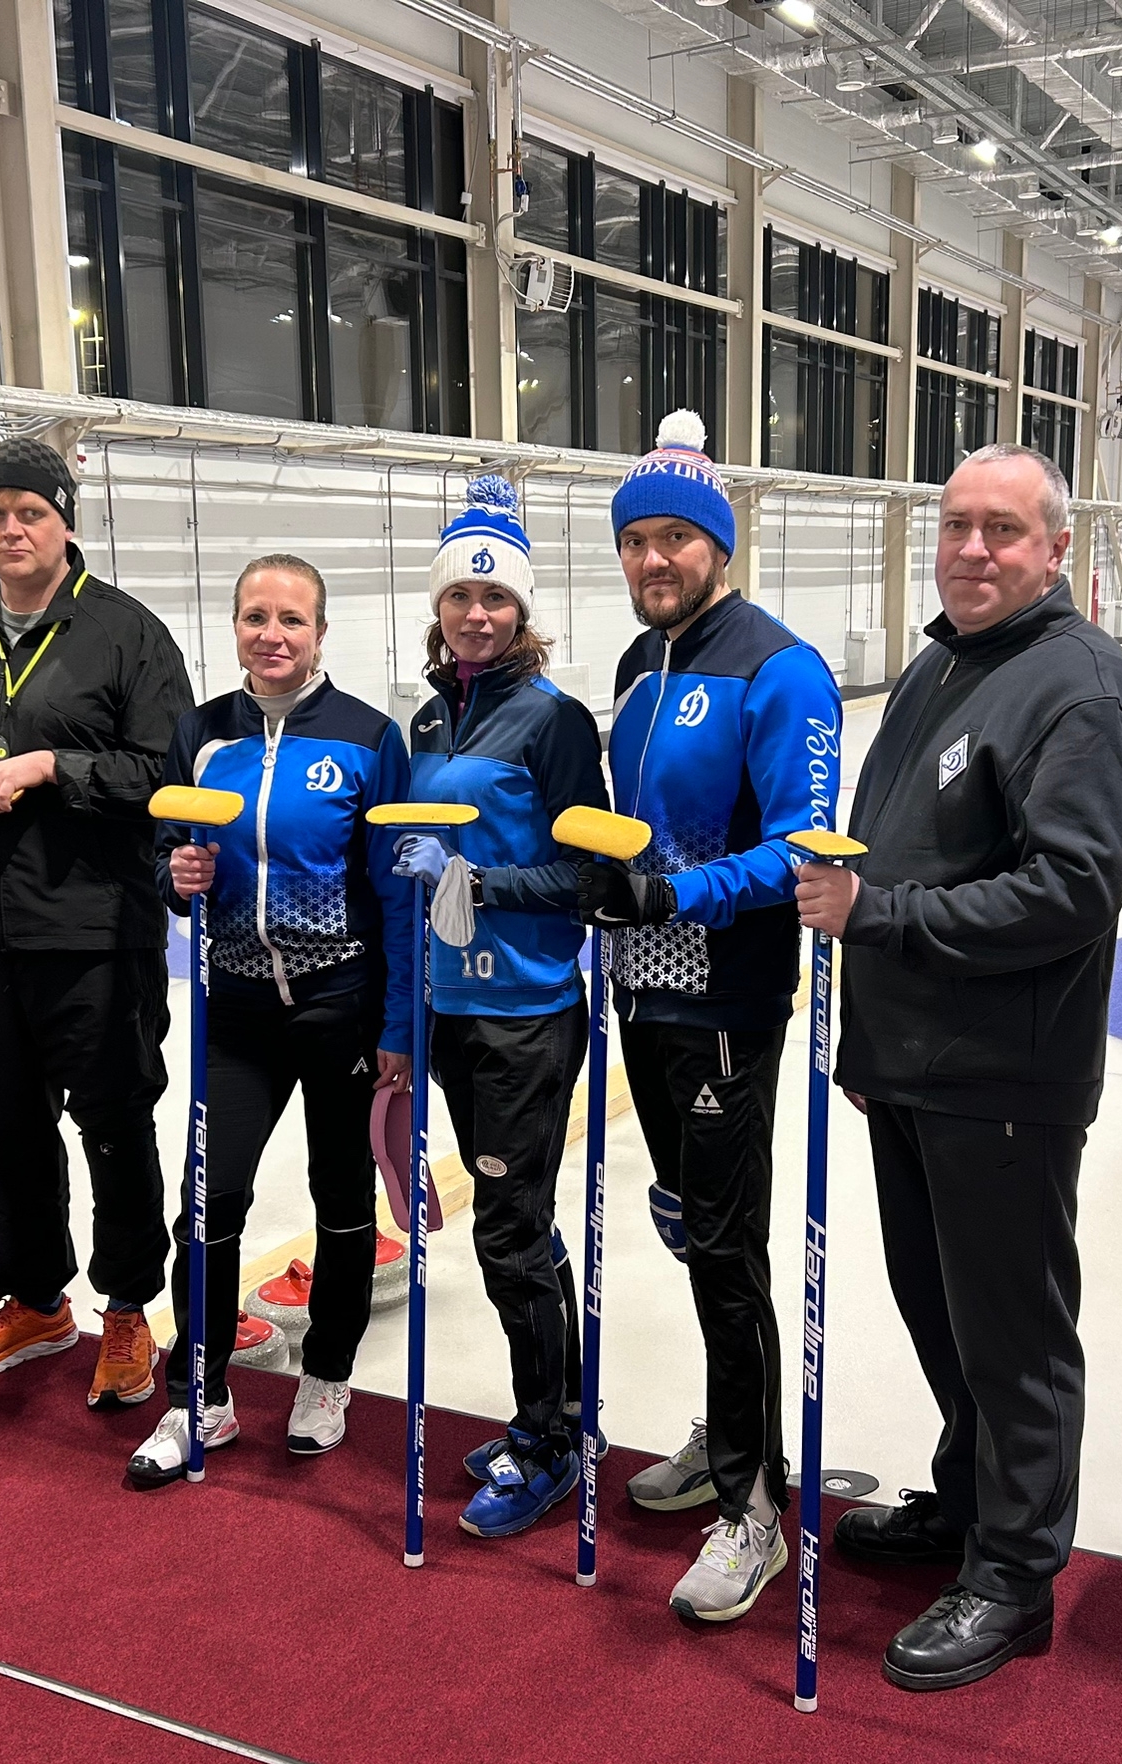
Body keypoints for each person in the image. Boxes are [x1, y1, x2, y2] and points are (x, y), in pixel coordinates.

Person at [795, 443, 1122, 1691]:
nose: (970, 549)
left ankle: (1014, 1574)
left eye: (1001, 530)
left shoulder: (1088, 694)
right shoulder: (944, 662)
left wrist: (878, 918)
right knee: (939, 1313)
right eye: (955, 524)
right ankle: (966, 1506)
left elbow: (1070, 892)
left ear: (1057, 548)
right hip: (908, 1062)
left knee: (1011, 1335)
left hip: (1001, 1073)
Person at [578, 410, 843, 1625]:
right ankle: (736, 1435)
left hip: (726, 997)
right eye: (635, 541)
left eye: (675, 538)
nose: (653, 559)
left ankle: (754, 1508)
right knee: (690, 1230)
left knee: (728, 1254)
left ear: (718, 547)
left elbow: (803, 847)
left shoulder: (779, 668)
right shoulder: (639, 665)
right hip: (642, 991)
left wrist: (675, 894)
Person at [0, 435, 193, 1410]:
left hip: (97, 927)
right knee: (0, 1125)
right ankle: (33, 1297)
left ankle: (127, 1307)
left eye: (30, 512)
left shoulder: (126, 633)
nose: (11, 529)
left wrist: (55, 766)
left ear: (64, 521)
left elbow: (167, 773)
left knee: (113, 1123)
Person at [122, 555, 416, 1486]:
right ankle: (198, 1397)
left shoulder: (369, 737)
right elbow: (165, 851)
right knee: (209, 1201)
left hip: (340, 1004)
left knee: (342, 1198)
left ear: (320, 632)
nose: (273, 635)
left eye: (292, 619)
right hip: (238, 1009)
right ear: (236, 626)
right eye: (256, 617)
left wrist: (399, 1023)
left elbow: (394, 891)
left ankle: (326, 1376)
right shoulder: (203, 733)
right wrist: (176, 875)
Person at [391, 475, 609, 1540]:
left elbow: (588, 876)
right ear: (437, 607)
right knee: (517, 1223)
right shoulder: (432, 714)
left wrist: (470, 880)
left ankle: (545, 1443)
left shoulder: (554, 722)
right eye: (459, 597)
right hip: (451, 1007)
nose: (477, 615)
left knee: (509, 1233)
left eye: (496, 599)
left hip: (525, 1010)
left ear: (523, 611)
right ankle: (561, 1410)